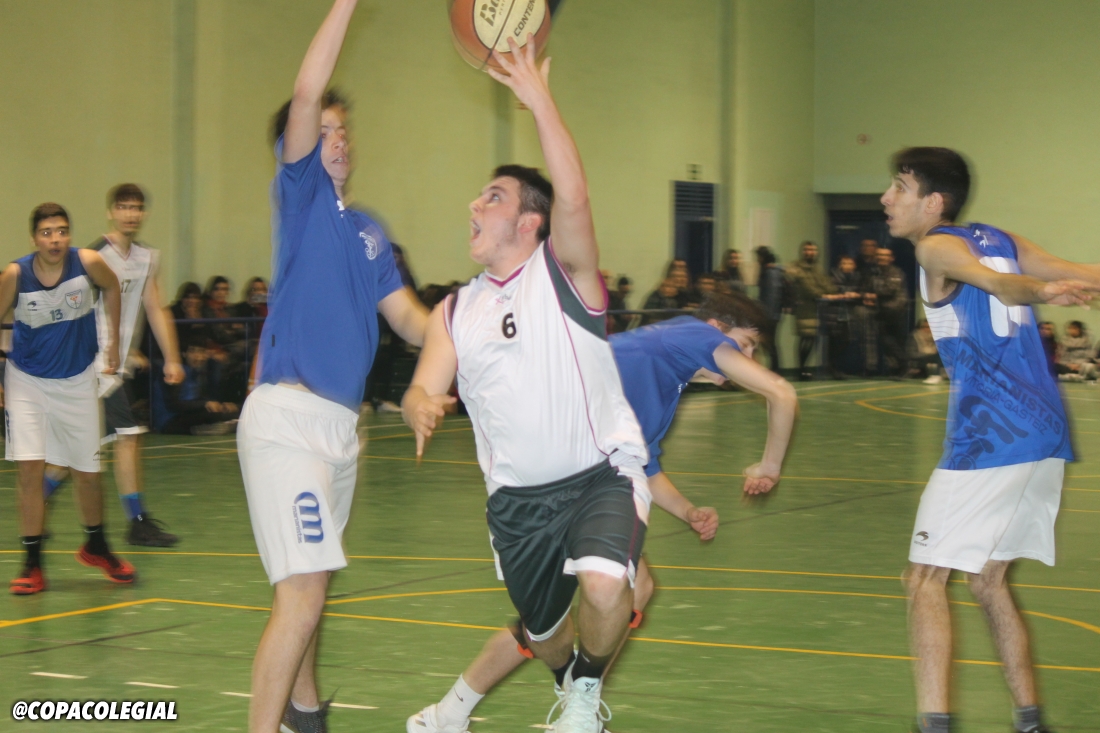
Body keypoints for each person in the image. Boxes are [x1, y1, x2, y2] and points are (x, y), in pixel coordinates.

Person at [407, 291, 798, 733]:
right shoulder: (691, 335)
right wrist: (769, 465)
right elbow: (780, 392)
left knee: (571, 615)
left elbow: (643, 466)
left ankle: (450, 715)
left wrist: (687, 511)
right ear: (716, 330)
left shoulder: (662, 369)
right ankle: (578, 704)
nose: (746, 359)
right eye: (745, 344)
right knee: (601, 602)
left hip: (570, 474)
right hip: (551, 477)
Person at [403, 37, 650, 733]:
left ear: (529, 221)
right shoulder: (455, 310)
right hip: (515, 504)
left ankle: (584, 698)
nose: (474, 204)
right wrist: (419, 403)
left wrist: (538, 97)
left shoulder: (563, 273)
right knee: (544, 634)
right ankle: (571, 678)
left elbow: (575, 194)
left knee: (605, 583)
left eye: (494, 196)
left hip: (599, 472)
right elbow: (423, 383)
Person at [236, 1, 428, 731]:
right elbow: (307, 89)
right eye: (325, 129)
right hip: (287, 419)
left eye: (345, 130)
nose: (338, 138)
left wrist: (472, 328)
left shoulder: (369, 230)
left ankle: (305, 711)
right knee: (304, 591)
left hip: (340, 434)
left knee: (310, 581)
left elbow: (409, 319)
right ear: (300, 144)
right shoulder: (302, 196)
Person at [881, 146, 1098, 733]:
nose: (886, 198)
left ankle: (934, 726)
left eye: (899, 187)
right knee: (988, 578)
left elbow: (997, 285)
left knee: (924, 579)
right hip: (1045, 432)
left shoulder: (935, 247)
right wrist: (1057, 285)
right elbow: (1077, 270)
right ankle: (1030, 722)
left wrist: (1043, 293)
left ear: (934, 202)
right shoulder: (998, 238)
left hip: (991, 434)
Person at [43, 184, 185, 547]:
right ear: (111, 212)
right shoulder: (93, 257)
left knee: (81, 451)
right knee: (127, 436)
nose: (130, 214)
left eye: (136, 207)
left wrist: (171, 357)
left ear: (143, 213)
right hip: (94, 366)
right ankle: (137, 523)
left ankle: (37, 500)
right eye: (123, 207)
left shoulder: (147, 257)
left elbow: (155, 308)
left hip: (117, 368)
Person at [2, 203, 133, 594]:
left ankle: (96, 547)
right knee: (30, 471)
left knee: (88, 474)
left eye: (61, 231)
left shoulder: (88, 262)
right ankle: (31, 565)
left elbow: (112, 287)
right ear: (34, 238)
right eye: (46, 232)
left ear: (69, 235)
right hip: (27, 382)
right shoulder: (16, 274)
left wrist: (113, 344)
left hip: (77, 381)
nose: (55, 239)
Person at [787, 241, 835, 380]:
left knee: (811, 338)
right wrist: (823, 294)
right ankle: (801, 370)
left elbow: (828, 286)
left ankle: (804, 370)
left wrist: (828, 292)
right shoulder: (796, 268)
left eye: (813, 250)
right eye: (807, 250)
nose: (810, 252)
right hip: (805, 308)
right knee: (806, 338)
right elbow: (808, 288)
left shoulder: (817, 268)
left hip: (817, 309)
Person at [867, 247, 910, 376]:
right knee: (886, 341)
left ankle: (904, 365)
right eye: (879, 255)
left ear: (891, 258)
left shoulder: (896, 272)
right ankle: (898, 367)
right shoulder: (874, 272)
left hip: (896, 310)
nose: (882, 257)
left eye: (885, 255)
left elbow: (889, 290)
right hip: (882, 311)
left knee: (894, 341)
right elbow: (868, 287)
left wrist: (872, 295)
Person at [825, 255, 861, 379]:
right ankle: (832, 368)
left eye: (850, 263)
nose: (847, 266)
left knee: (846, 340)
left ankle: (839, 368)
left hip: (849, 313)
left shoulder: (857, 277)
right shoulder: (833, 275)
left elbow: (859, 291)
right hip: (834, 312)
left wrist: (856, 294)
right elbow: (833, 289)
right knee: (834, 340)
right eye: (844, 263)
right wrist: (847, 294)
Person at [754, 245, 784, 373]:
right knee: (770, 342)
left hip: (769, 313)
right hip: (773, 313)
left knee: (768, 342)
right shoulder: (774, 271)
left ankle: (775, 369)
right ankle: (775, 368)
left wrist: (765, 314)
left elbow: (770, 296)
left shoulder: (769, 273)